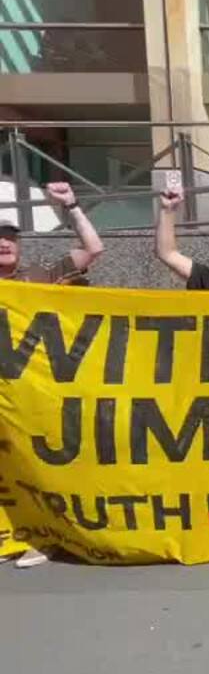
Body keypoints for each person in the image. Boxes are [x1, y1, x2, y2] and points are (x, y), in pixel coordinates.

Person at [0, 181, 105, 569]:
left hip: (34, 395)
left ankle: (43, 537)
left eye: (9, 236)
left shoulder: (38, 276)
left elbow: (93, 249)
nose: (3, 242)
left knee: (37, 467)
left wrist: (72, 206)